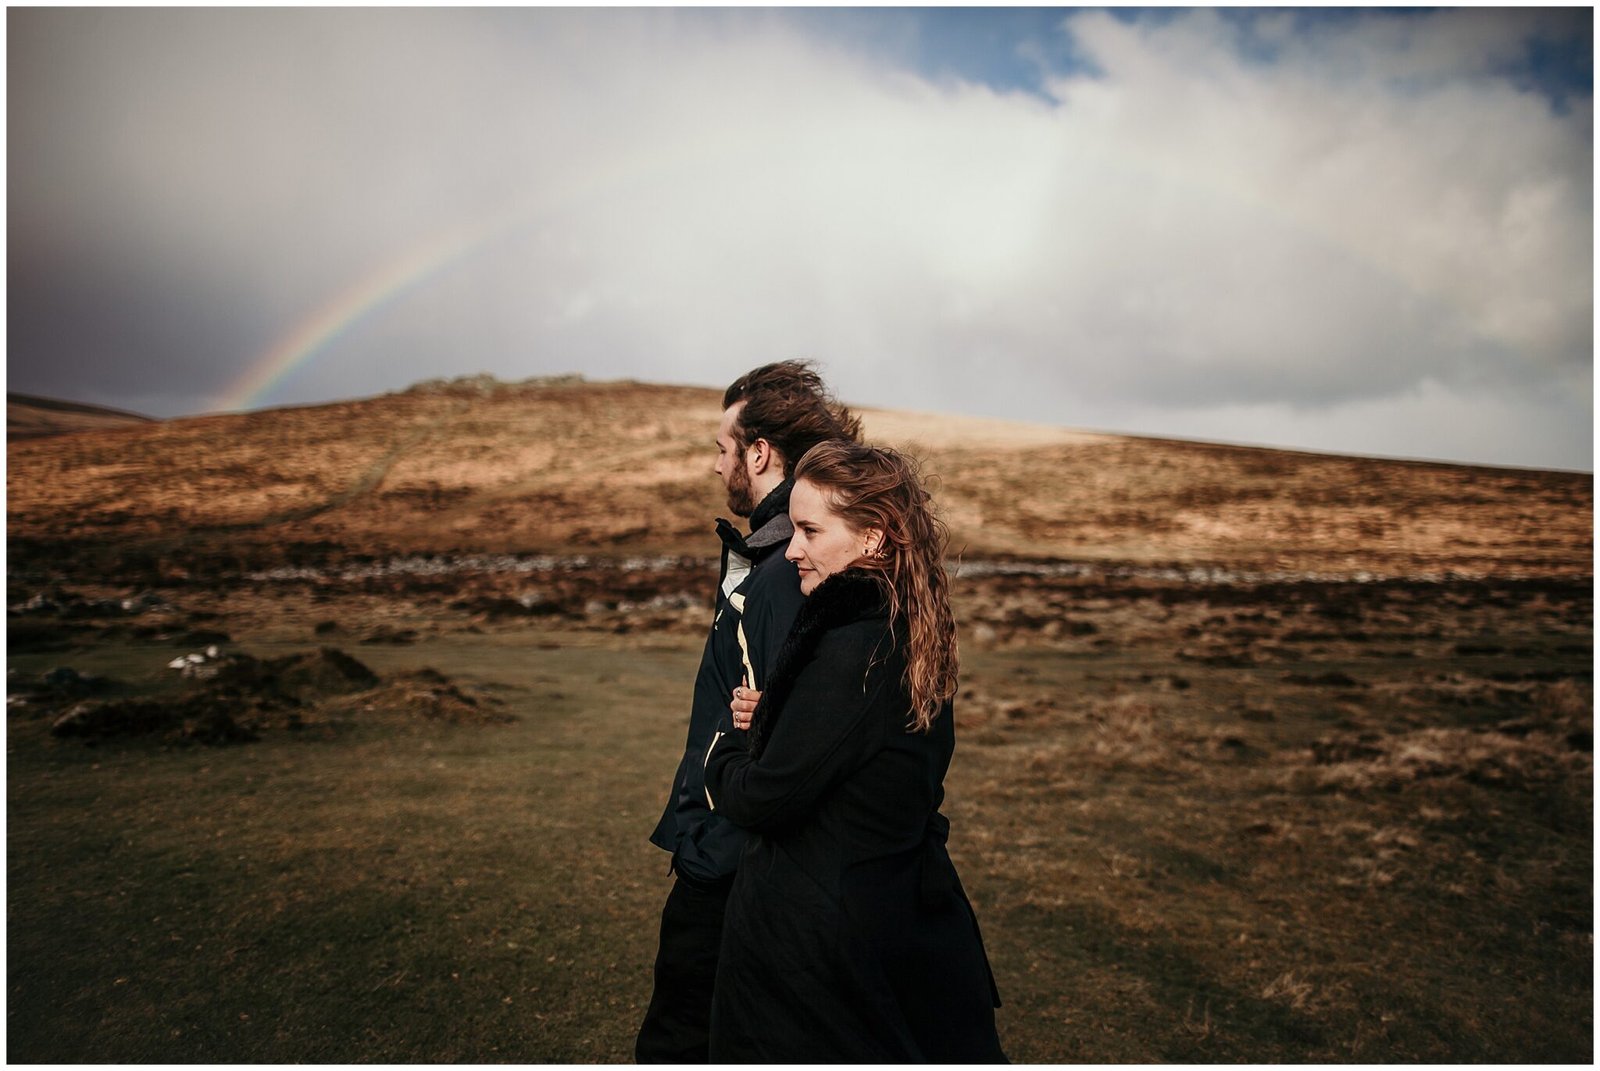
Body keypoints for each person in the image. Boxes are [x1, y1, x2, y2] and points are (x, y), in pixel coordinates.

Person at [704, 440, 1006, 1063]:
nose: (791, 550)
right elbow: (864, 752)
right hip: (882, 906)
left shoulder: (854, 650)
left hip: (824, 945)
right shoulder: (902, 626)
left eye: (811, 530)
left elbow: (764, 798)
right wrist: (788, 720)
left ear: (873, 538)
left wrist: (729, 748)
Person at [636, 361, 862, 1064]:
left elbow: (794, 730)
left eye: (721, 447)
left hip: (735, 854)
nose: (714, 467)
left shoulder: (787, 562)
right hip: (731, 842)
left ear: (758, 452)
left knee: (688, 1036)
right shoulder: (776, 547)